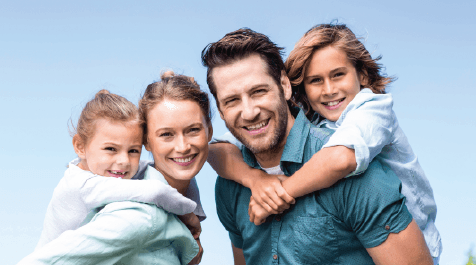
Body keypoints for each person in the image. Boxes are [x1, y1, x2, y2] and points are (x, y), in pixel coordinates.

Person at [207, 23, 441, 264]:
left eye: (258, 91)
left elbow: (341, 160)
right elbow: (212, 149)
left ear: (285, 86)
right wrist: (254, 179)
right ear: (221, 111)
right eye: (232, 100)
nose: (249, 112)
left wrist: (281, 191)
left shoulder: (354, 153)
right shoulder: (230, 185)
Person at [18, 72, 212, 264]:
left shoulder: (128, 176)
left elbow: (170, 176)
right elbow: (156, 191)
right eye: (166, 134)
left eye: (133, 151)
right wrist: (188, 213)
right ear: (80, 147)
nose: (124, 162)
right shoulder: (88, 187)